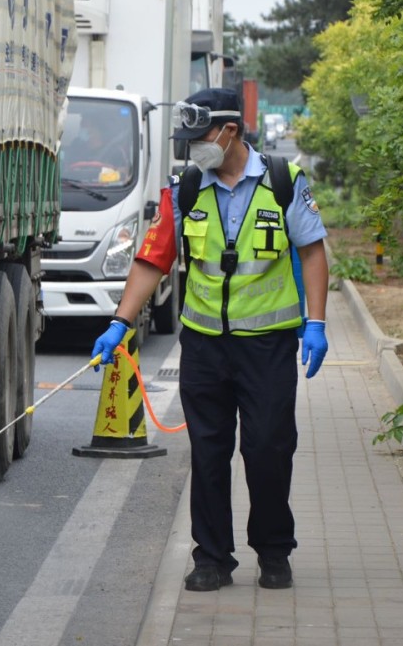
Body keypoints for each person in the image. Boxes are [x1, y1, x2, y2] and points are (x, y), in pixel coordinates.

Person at [90, 88, 329, 592]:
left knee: (268, 448)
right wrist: (120, 321)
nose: (193, 147)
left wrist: (317, 323)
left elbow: (311, 252)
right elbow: (153, 258)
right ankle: (211, 558)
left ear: (230, 133)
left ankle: (274, 550)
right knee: (208, 451)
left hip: (267, 345)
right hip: (203, 344)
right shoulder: (187, 189)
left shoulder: (283, 183)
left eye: (200, 137)